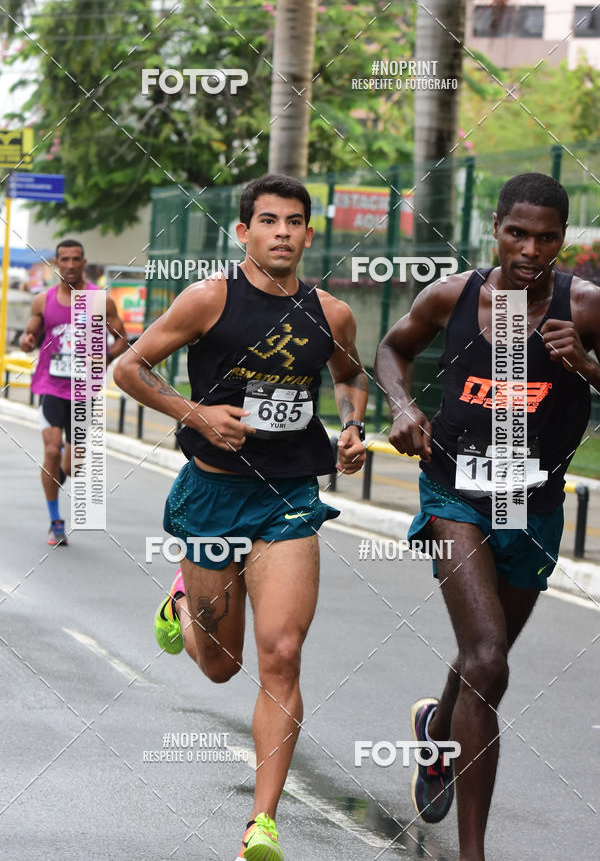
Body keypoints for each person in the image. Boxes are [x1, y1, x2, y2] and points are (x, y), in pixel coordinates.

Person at [114, 174, 368, 860]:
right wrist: (194, 412)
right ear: (244, 231)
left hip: (288, 497)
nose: (282, 231)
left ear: (310, 234)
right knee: (222, 666)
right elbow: (130, 368)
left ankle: (262, 824)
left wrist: (351, 428)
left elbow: (349, 376)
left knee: (281, 654)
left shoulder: (332, 314)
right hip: (214, 494)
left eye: (294, 221)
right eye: (268, 220)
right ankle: (181, 606)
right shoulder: (210, 298)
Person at [375, 172, 600, 861]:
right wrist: (403, 405)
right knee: (488, 656)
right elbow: (392, 349)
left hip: (531, 501)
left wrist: (588, 365)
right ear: (495, 227)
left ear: (564, 240)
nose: (530, 249)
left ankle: (436, 726)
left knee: (485, 663)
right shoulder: (456, 294)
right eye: (517, 233)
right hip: (456, 492)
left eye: (546, 237)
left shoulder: (585, 305)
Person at [19, 240, 128, 546]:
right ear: (56, 262)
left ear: (83, 262)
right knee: (52, 451)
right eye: (64, 259)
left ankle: (56, 477)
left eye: (75, 259)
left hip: (84, 390)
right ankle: (55, 521)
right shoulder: (43, 301)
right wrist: (28, 342)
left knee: (73, 464)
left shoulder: (100, 300)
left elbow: (122, 339)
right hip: (51, 387)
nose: (69, 265)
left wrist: (104, 358)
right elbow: (30, 335)